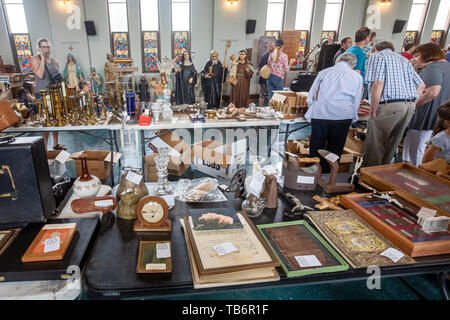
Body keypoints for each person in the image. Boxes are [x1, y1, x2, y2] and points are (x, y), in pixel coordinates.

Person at [363, 41, 425, 167]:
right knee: (391, 146)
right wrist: (412, 104)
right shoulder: (404, 60)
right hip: (408, 106)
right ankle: (382, 176)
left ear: (375, 50)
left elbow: (378, 83)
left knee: (375, 145)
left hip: (389, 105)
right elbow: (421, 85)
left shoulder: (377, 57)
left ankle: (368, 180)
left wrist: (373, 110)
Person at [306, 52, 363, 173]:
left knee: (316, 146)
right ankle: (328, 174)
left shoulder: (324, 72)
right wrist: (351, 115)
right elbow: (356, 101)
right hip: (343, 115)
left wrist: (314, 108)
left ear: (337, 61)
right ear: (352, 64)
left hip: (321, 114)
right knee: (335, 149)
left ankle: (312, 173)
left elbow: (310, 96)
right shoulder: (356, 76)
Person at [402, 43, 450, 166]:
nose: (414, 59)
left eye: (417, 55)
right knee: (413, 145)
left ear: (428, 55)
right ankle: (406, 164)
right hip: (436, 113)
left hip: (426, 115)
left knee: (417, 149)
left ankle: (414, 174)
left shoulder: (433, 68)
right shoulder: (445, 66)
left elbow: (432, 92)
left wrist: (412, 104)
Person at [30, 38, 66, 151]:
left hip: (54, 93)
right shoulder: (35, 59)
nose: (47, 49)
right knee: (46, 121)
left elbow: (57, 77)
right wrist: (42, 58)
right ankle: (45, 148)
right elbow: (40, 75)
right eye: (44, 47)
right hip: (42, 94)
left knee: (56, 118)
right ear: (39, 49)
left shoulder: (54, 61)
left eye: (48, 46)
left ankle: (56, 143)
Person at [257, 41, 275, 106]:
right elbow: (259, 67)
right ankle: (260, 108)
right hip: (264, 79)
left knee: (271, 94)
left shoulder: (273, 55)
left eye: (274, 46)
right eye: (271, 46)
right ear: (268, 46)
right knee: (262, 94)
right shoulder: (265, 55)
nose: (273, 48)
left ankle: (269, 109)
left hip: (271, 78)